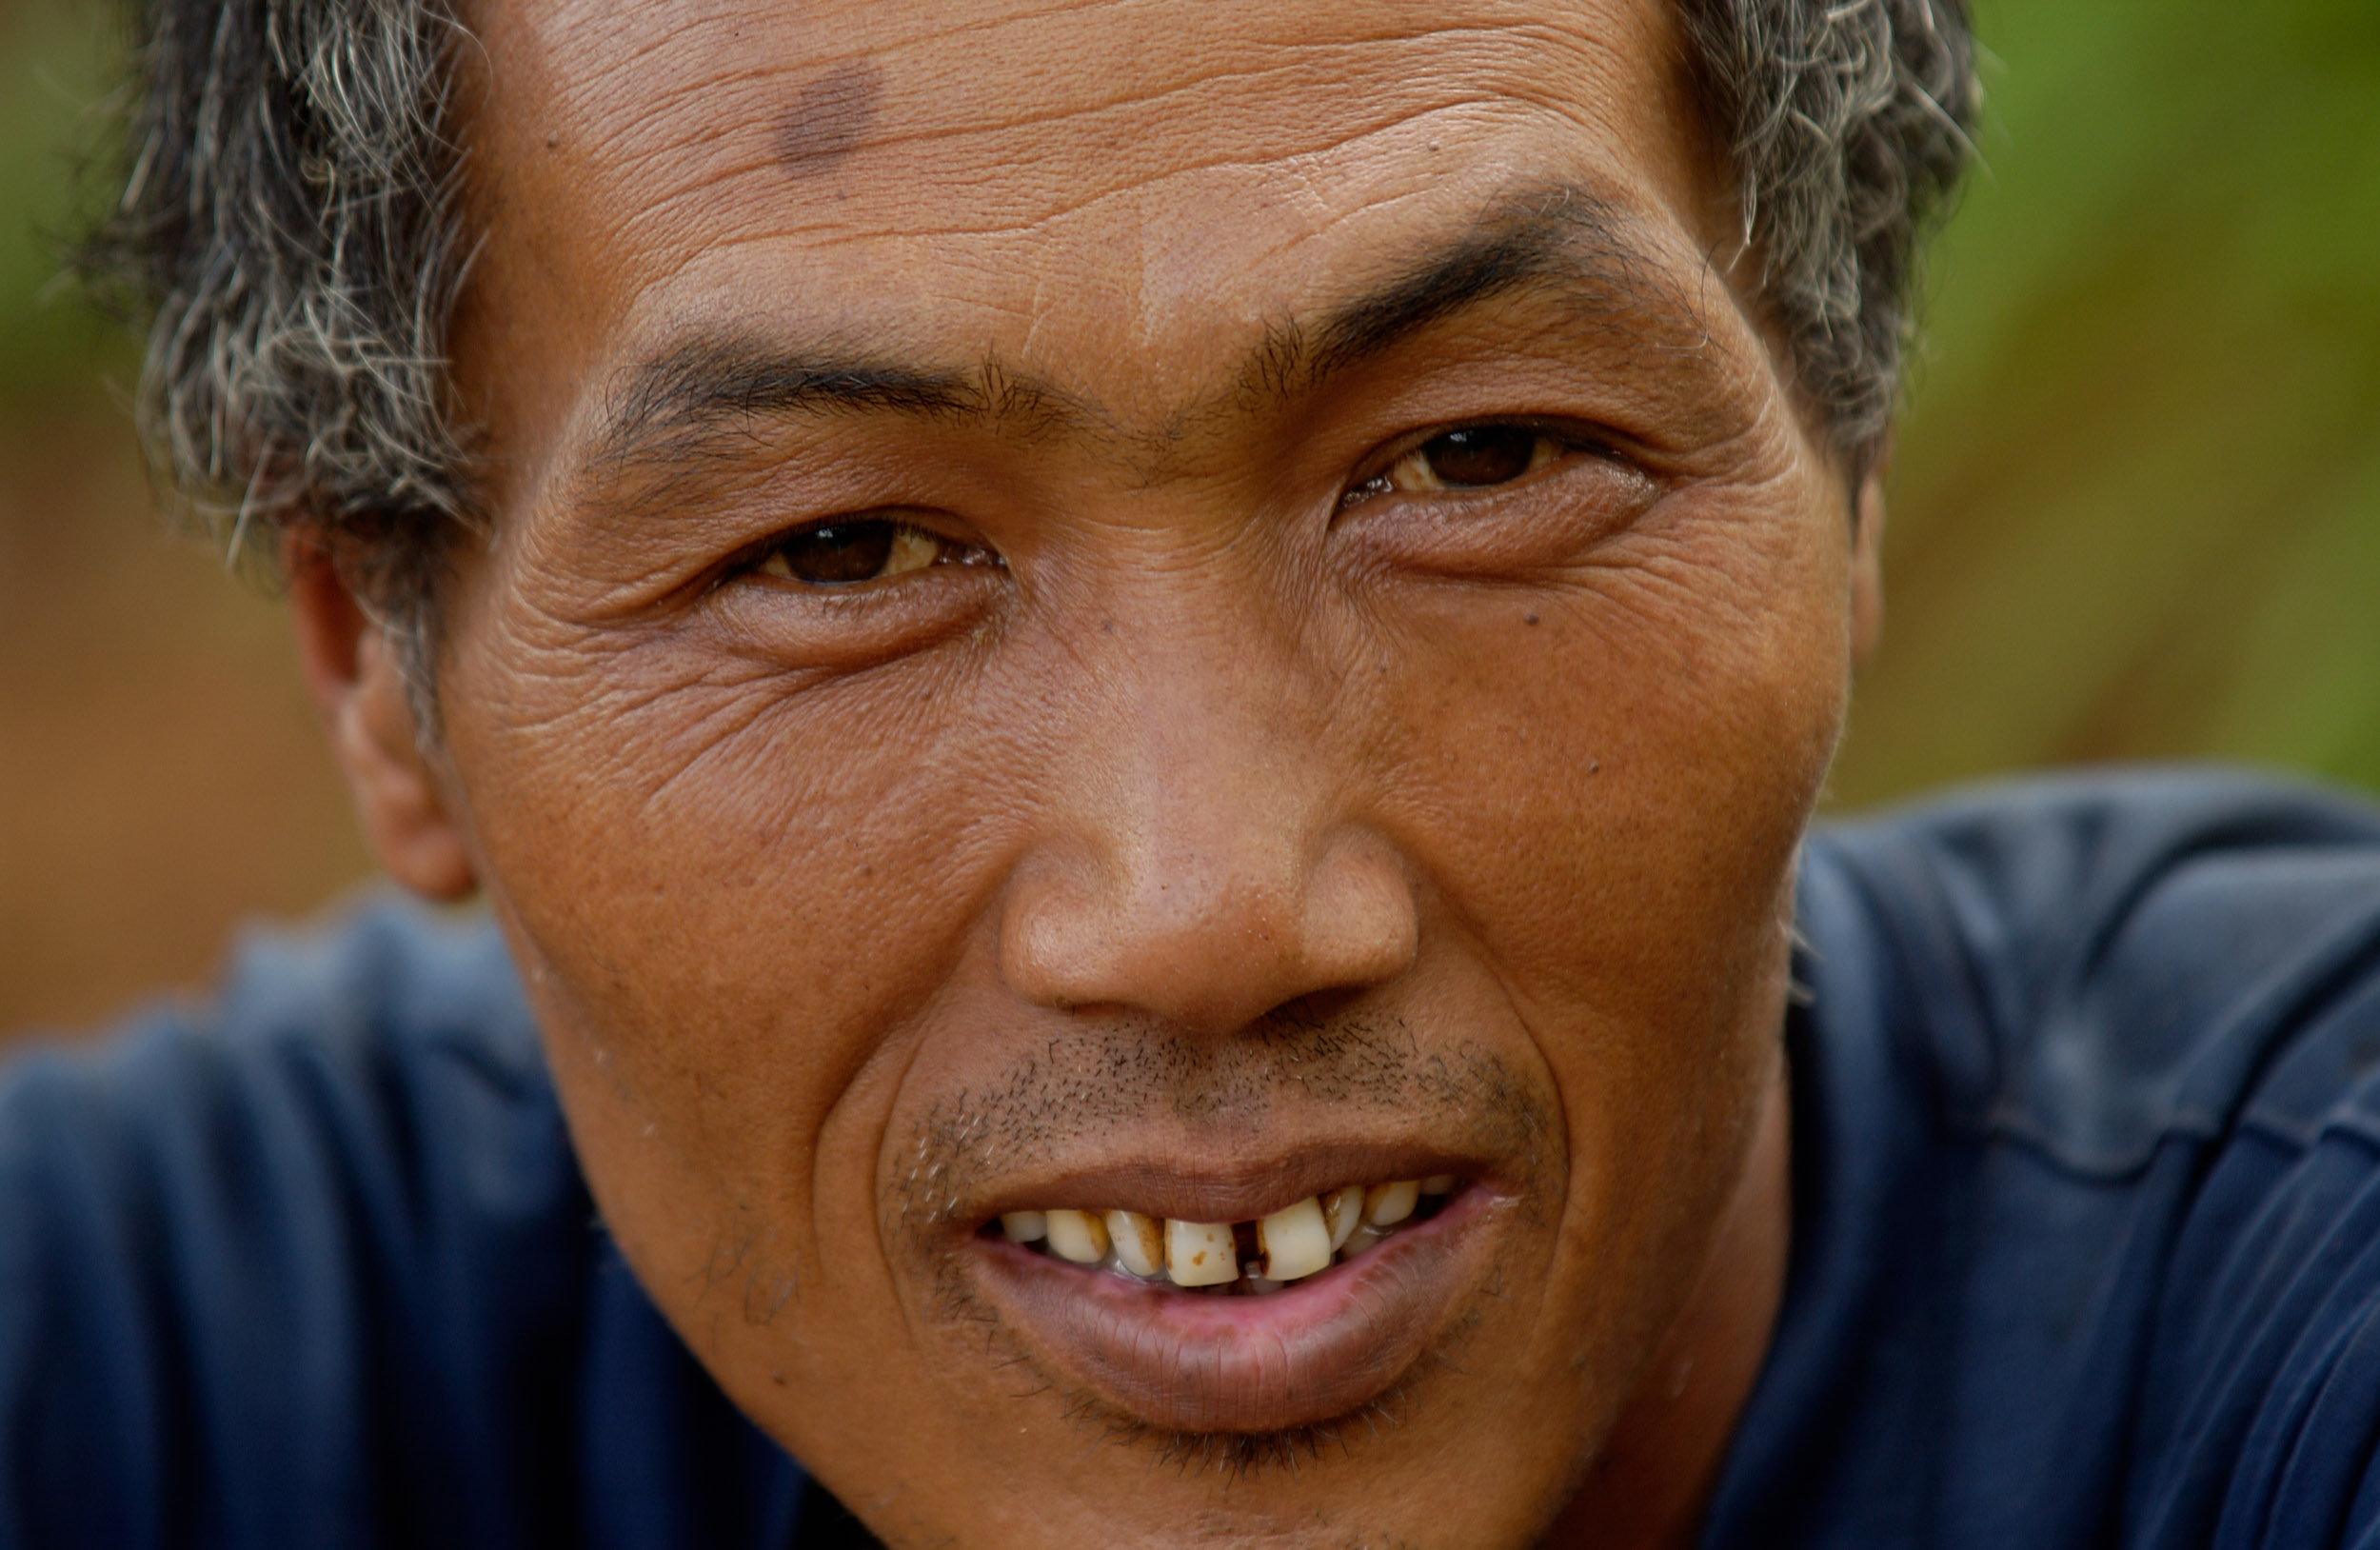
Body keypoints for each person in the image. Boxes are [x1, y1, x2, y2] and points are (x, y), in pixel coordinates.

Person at [10, 0, 2380, 1545]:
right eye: (840, 549)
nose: (1211, 903)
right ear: (379, 673)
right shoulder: (218, 1365)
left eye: (1474, 458)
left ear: (1841, 472)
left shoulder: (2285, 1315)